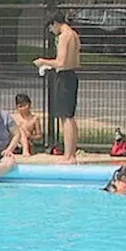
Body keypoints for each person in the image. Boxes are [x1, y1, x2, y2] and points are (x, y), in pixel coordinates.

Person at [34, 11, 81, 164]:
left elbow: (60, 62)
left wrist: (44, 62)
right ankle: (71, 154)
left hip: (64, 77)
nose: (52, 31)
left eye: (51, 28)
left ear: (55, 23)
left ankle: (68, 156)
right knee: (70, 117)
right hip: (72, 75)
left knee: (65, 118)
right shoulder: (74, 34)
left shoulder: (63, 37)